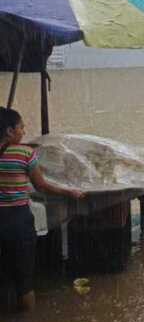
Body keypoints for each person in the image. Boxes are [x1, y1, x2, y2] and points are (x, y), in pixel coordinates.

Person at [0, 108, 83, 311]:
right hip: (18, 220)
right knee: (25, 279)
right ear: (10, 131)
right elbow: (42, 186)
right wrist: (69, 192)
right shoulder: (24, 153)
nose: (24, 131)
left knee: (3, 275)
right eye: (21, 127)